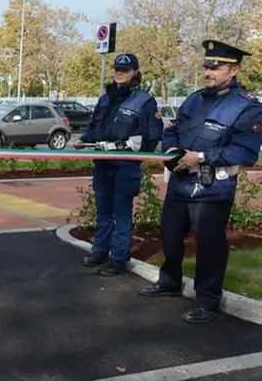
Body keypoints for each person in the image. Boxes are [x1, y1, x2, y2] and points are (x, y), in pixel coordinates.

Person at [138, 40, 262, 324]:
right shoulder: (194, 99)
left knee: (209, 244)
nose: (209, 71)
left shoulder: (247, 107)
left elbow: (246, 152)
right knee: (170, 233)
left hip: (212, 187)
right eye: (207, 65)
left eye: (216, 66)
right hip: (180, 182)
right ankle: (169, 281)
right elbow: (173, 129)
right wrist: (170, 149)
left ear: (234, 70)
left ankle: (207, 299)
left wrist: (203, 156)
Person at [74, 53, 163, 276]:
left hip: (125, 165)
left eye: (124, 70)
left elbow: (152, 136)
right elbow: (95, 127)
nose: (119, 73)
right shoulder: (106, 99)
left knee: (121, 213)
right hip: (103, 163)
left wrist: (132, 149)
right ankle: (100, 250)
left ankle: (119, 257)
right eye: (117, 69)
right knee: (103, 211)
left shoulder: (144, 101)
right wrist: (83, 140)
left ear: (135, 72)